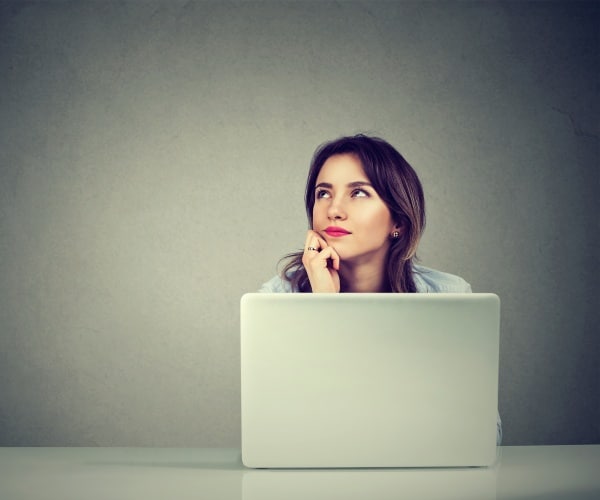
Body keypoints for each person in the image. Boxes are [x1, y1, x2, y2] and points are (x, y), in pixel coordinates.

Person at [259, 134, 502, 444]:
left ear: (397, 220)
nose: (333, 210)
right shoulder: (275, 300)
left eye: (358, 192)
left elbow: (485, 435)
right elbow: (281, 433)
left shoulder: (449, 296)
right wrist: (325, 308)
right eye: (323, 193)